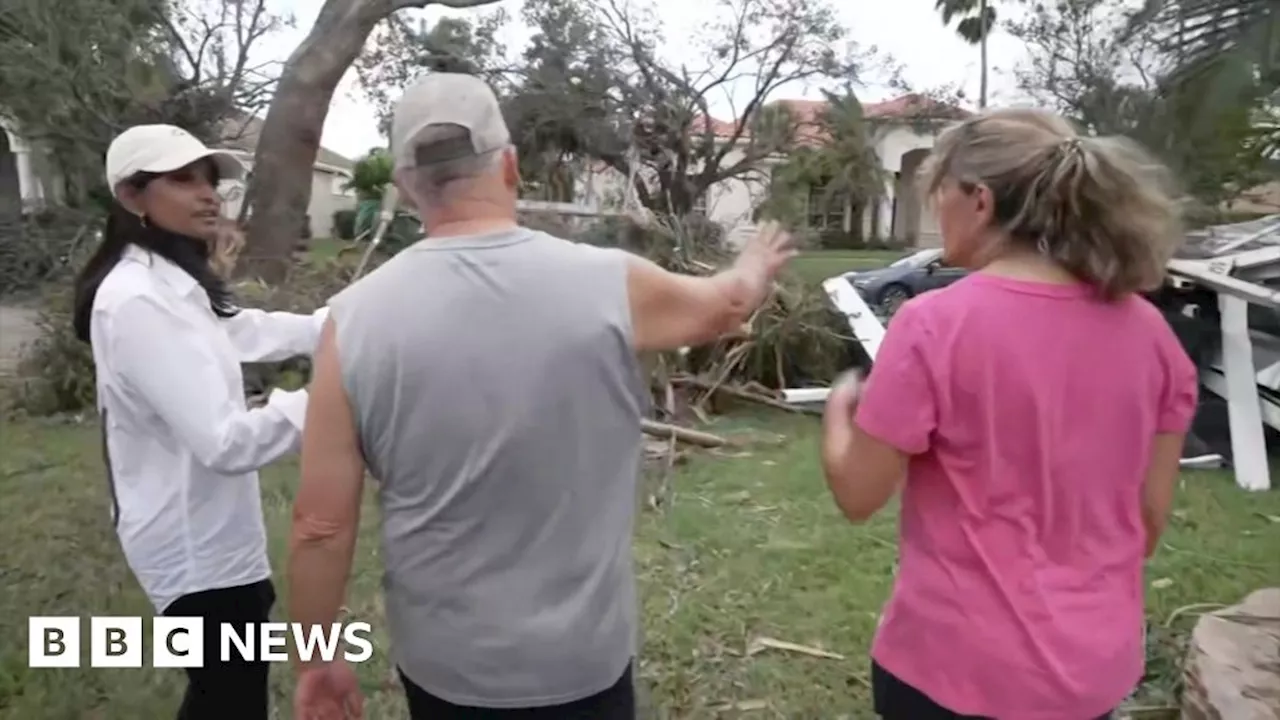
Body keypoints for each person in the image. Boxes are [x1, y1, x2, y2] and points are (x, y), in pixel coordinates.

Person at [284, 72, 796, 720]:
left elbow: (319, 527)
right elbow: (725, 306)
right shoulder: (610, 286)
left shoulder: (352, 323)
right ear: (510, 166)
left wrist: (316, 658)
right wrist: (752, 264)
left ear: (406, 186)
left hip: (446, 665)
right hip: (582, 663)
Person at [819, 107, 1199, 720]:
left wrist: (841, 410)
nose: (935, 207)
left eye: (938, 191)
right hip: (1090, 675)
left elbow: (858, 495)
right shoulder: (1151, 334)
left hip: (951, 670)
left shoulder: (933, 325)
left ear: (980, 200)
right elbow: (1146, 524)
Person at [72, 124, 329, 720]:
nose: (209, 194)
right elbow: (225, 442)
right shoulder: (135, 300)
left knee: (227, 692)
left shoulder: (170, 285)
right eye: (183, 180)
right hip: (192, 547)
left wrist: (338, 324)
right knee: (229, 697)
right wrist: (326, 400)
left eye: (210, 180)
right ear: (133, 196)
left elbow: (243, 330)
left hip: (211, 532)